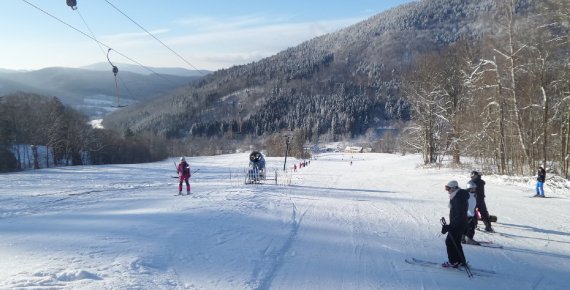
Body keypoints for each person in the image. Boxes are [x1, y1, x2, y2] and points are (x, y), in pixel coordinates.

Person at [441, 180, 469, 268]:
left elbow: (460, 215)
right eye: (446, 188)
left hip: (458, 224)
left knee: (449, 242)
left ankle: (453, 261)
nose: (447, 191)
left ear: (453, 188)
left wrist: (450, 226)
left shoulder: (457, 198)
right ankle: (461, 261)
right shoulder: (458, 195)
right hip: (460, 223)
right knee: (456, 242)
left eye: (448, 188)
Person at [462, 181, 480, 245]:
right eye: (473, 188)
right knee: (471, 227)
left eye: (475, 188)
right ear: (469, 188)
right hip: (466, 214)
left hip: (471, 214)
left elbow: (473, 205)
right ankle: (468, 239)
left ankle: (463, 238)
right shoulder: (466, 195)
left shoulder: (474, 195)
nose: (474, 189)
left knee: (467, 226)